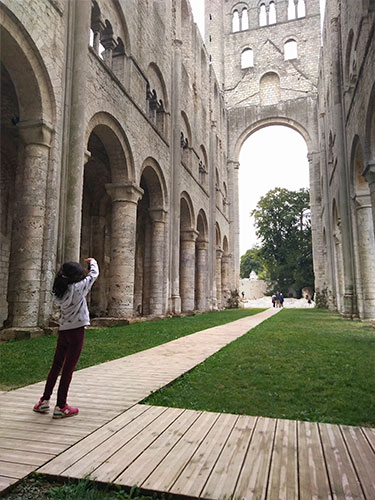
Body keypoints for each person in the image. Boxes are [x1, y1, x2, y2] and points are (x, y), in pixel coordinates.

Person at [33, 258, 99, 418]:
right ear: (77, 276)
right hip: (77, 331)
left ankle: (44, 401)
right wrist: (92, 262)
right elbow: (94, 275)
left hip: (64, 330)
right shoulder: (79, 288)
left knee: (56, 366)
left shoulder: (59, 290)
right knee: (68, 369)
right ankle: (61, 406)